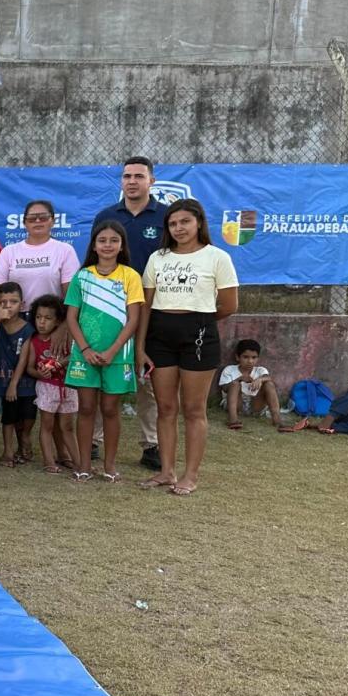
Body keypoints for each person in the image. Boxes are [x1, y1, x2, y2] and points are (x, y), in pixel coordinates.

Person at [137, 198, 239, 496]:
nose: (179, 228)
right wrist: (141, 347)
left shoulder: (217, 257)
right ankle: (166, 472)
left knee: (194, 410)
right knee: (166, 408)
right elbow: (146, 306)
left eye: (185, 222)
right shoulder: (158, 257)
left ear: (199, 223)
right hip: (159, 338)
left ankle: (190, 475)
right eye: (172, 223)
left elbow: (230, 305)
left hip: (198, 337)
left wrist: (199, 320)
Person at [64, 221, 144, 482]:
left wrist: (111, 351)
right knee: (86, 408)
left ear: (121, 246)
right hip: (83, 356)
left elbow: (133, 320)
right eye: (102, 240)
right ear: (94, 245)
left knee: (110, 409)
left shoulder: (130, 276)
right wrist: (85, 349)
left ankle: (110, 466)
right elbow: (72, 318)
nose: (107, 245)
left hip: (117, 356)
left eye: (113, 240)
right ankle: (84, 464)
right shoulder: (82, 276)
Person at [0, 200, 80, 312]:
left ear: (53, 221)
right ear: (24, 222)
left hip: (52, 319)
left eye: (43, 217)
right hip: (14, 321)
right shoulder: (9, 251)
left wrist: (64, 325)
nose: (37, 221)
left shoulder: (65, 250)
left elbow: (72, 296)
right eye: (32, 218)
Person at [22, 295, 78, 475]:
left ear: (58, 321)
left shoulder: (65, 338)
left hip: (68, 387)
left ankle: (79, 462)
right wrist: (40, 373)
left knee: (68, 426)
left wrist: (60, 363)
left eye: (47, 318)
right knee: (47, 425)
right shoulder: (34, 341)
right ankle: (48, 461)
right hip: (47, 387)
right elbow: (29, 368)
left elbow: (74, 355)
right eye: (38, 317)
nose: (42, 322)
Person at [0, 282, 37, 467]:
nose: (8, 306)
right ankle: (8, 451)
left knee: (28, 414)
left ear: (23, 304)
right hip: (4, 379)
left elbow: (24, 360)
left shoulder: (28, 328)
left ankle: (25, 441)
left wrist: (14, 383)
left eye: (13, 301)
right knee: (9, 416)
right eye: (3, 302)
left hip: (25, 382)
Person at [219, 339, 285, 431]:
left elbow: (270, 378)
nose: (250, 361)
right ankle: (233, 420)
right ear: (238, 357)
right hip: (237, 405)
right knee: (234, 384)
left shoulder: (260, 370)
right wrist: (239, 379)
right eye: (245, 357)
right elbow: (224, 388)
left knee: (269, 384)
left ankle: (277, 420)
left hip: (256, 406)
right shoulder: (229, 370)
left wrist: (260, 379)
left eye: (254, 358)